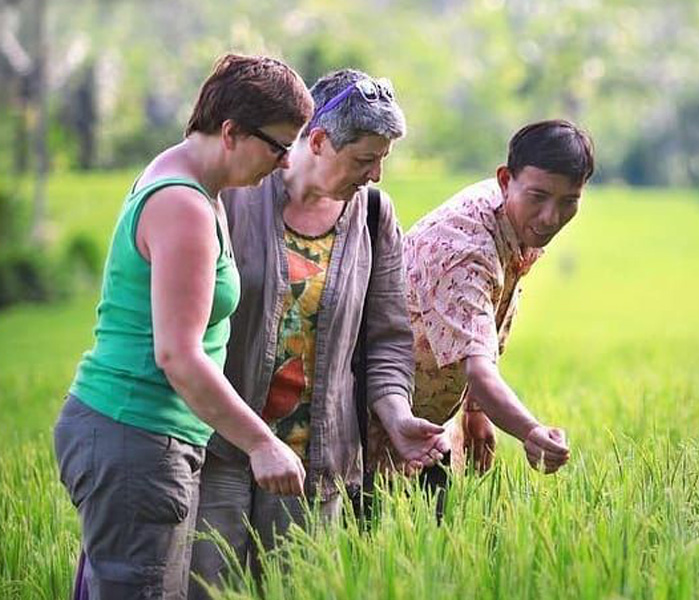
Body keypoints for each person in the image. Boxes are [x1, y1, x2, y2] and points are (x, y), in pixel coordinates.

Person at [52, 54, 314, 599]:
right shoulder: (183, 205)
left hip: (136, 436)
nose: (285, 163)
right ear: (231, 131)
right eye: (278, 145)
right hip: (136, 435)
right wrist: (261, 444)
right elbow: (179, 355)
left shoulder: (192, 187)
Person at [188, 68, 448, 599]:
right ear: (319, 140)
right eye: (363, 160)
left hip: (316, 466)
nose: (374, 174)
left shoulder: (374, 214)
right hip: (220, 453)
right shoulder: (233, 197)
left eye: (382, 160)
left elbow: (387, 339)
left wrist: (396, 416)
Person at [367, 119, 595, 486]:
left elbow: (482, 320)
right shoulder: (466, 247)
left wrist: (475, 409)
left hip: (425, 419)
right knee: (360, 527)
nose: (551, 218)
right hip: (372, 415)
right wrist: (531, 432)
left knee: (432, 531)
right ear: (506, 179)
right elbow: (478, 369)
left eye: (568, 202)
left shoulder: (516, 216)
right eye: (539, 197)